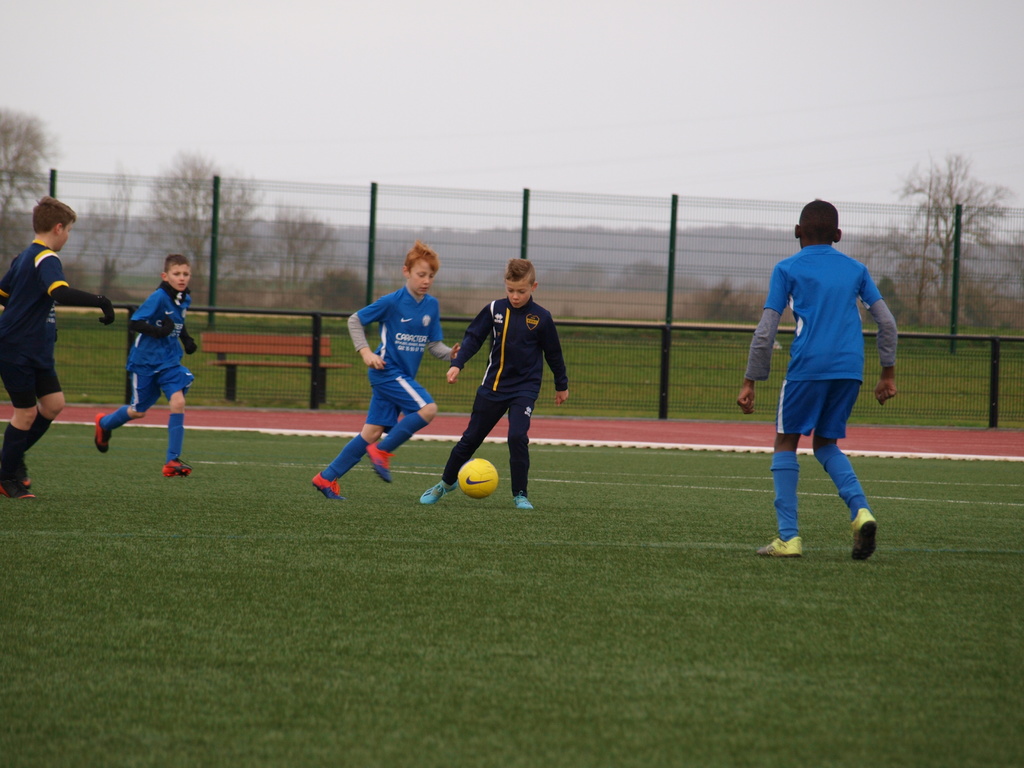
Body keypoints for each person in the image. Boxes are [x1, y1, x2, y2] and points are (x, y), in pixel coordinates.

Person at [737, 200, 898, 560]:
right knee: (826, 444)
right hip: (850, 369)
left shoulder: (787, 268)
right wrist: (887, 373)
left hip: (808, 366)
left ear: (797, 231)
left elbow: (765, 331)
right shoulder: (856, 269)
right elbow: (887, 323)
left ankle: (789, 538)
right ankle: (861, 512)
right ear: (838, 235)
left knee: (785, 441)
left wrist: (750, 381)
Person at [311, 241, 458, 500]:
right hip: (387, 371)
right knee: (428, 409)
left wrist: (451, 355)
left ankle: (326, 477)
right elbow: (355, 320)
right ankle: (382, 451)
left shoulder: (431, 306)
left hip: (400, 376)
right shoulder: (392, 302)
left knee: (371, 432)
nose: (426, 281)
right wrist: (366, 352)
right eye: (421, 274)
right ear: (406, 272)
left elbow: (434, 345)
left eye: (431, 276)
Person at [420, 258, 569, 510]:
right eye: (510, 290)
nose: (515, 296)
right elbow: (473, 338)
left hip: (525, 388)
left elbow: (554, 353)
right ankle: (445, 483)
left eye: (521, 291)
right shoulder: (494, 310)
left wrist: (561, 384)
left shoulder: (542, 317)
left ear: (533, 287)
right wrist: (457, 364)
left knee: (517, 436)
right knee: (470, 439)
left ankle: (520, 494)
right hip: (493, 386)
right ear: (505, 285)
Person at [0, 196, 116, 499]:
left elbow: (3, 293)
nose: (68, 237)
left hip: (35, 348)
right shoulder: (45, 257)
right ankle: (6, 476)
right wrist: (101, 301)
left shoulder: (24, 256)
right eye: (70, 231)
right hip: (16, 348)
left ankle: (10, 459)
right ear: (58, 228)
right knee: (25, 414)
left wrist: (32, 317)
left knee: (53, 404)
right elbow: (59, 292)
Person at [94, 254, 198, 477]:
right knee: (137, 412)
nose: (182, 278)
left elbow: (177, 322)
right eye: (177, 274)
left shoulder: (184, 298)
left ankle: (172, 460)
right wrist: (159, 332)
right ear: (165, 276)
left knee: (178, 401)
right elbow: (135, 322)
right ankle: (104, 424)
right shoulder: (158, 297)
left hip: (170, 361)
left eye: (186, 274)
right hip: (146, 362)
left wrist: (186, 339)